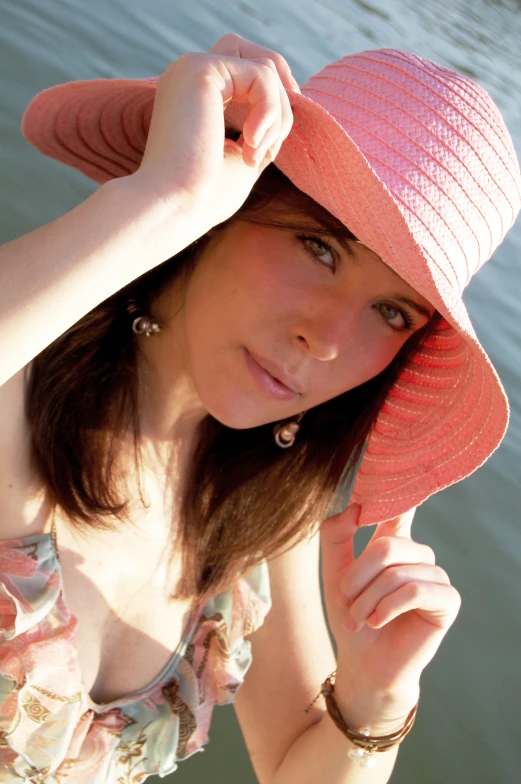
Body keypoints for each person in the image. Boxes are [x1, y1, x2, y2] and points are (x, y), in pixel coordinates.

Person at [0, 31, 519, 783]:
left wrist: (374, 701)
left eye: (391, 313)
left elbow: (295, 767)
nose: (327, 339)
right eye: (318, 247)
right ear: (231, 200)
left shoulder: (260, 513)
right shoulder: (22, 370)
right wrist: (162, 197)